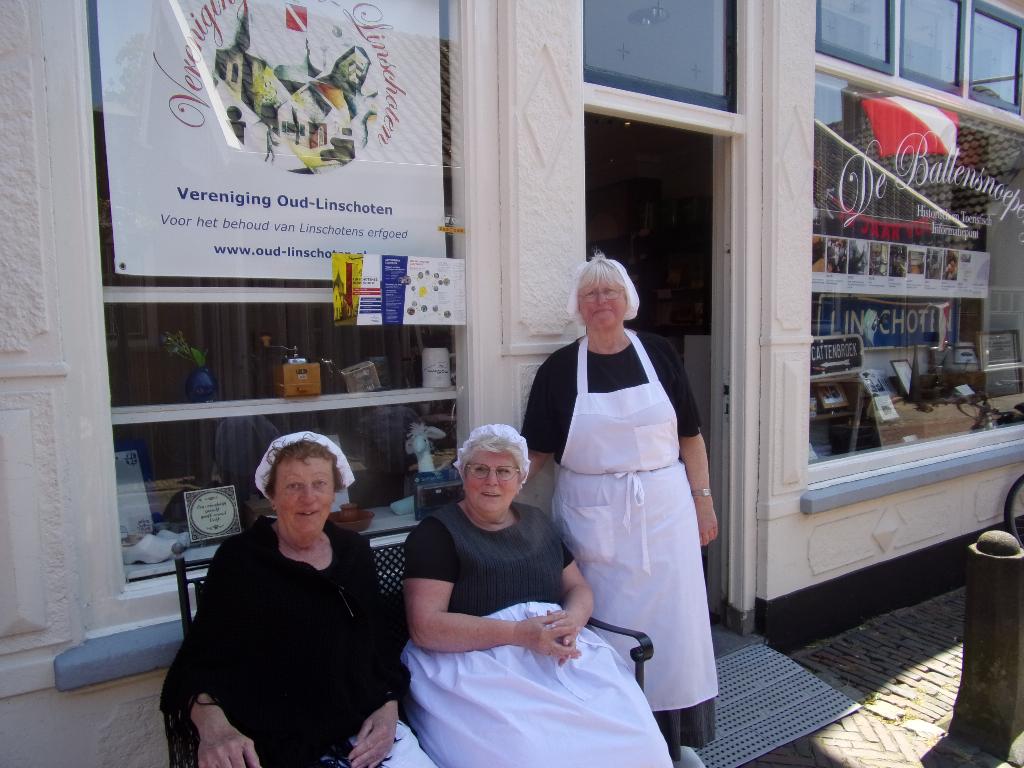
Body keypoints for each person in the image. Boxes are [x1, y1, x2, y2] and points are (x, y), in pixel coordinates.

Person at [521, 255, 719, 749]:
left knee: (674, 627)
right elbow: (537, 451)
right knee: (604, 628)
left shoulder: (660, 353)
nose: (601, 301)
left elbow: (690, 436)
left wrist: (704, 501)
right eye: (590, 294)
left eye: (610, 291)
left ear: (627, 299)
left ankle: (673, 737)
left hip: (666, 513)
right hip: (592, 519)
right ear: (578, 306)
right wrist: (494, 496)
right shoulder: (559, 369)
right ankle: (615, 738)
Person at [401, 424, 672, 768]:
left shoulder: (537, 522)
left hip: (555, 653)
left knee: (641, 740)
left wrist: (572, 620)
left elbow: (577, 588)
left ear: (521, 479)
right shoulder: (437, 534)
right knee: (534, 755)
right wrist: (518, 634)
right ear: (463, 474)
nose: (491, 481)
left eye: (504, 471)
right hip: (475, 665)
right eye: (480, 469)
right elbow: (426, 627)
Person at [160, 431, 436, 768]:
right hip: (275, 739)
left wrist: (388, 707)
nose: (309, 498)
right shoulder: (241, 560)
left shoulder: (353, 552)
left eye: (320, 484)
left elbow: (377, 645)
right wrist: (214, 729)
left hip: (359, 728)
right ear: (272, 496)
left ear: (334, 492)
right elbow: (197, 663)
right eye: (293, 486)